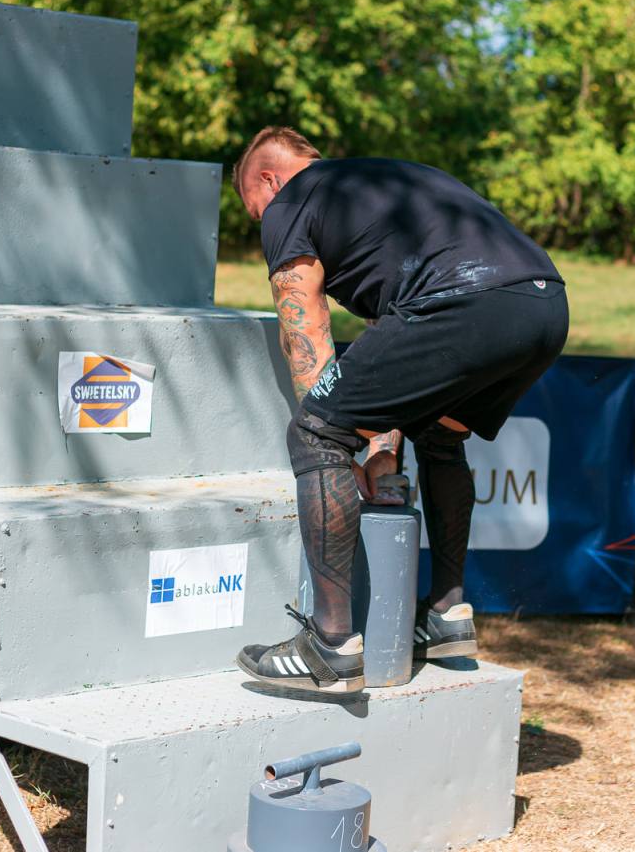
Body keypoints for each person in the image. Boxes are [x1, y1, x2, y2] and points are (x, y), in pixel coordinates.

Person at [231, 127, 568, 695]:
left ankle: (329, 647)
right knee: (439, 434)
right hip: (542, 304)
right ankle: (446, 613)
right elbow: (390, 353)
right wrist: (381, 454)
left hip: (461, 303)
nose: (262, 224)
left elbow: (304, 323)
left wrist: (337, 439)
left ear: (269, 179)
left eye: (254, 209)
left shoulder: (291, 201)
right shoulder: (383, 184)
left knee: (313, 434)